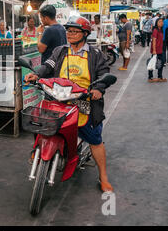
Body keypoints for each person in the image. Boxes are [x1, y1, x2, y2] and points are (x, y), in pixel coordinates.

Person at [24, 16, 113, 192]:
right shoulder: (60, 51)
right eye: (68, 31)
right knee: (40, 120)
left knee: (95, 139)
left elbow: (104, 74)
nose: (70, 34)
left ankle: (103, 176)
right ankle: (38, 150)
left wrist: (99, 89)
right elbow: (48, 65)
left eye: (74, 31)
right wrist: (37, 74)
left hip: (83, 101)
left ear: (85, 34)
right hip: (58, 97)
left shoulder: (95, 54)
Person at [148, 17, 166, 82]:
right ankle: (150, 77)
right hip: (156, 50)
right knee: (152, 63)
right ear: (156, 23)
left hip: (160, 49)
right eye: (159, 22)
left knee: (161, 63)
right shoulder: (155, 30)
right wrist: (154, 50)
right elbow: (154, 40)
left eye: (162, 22)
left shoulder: (161, 30)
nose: (161, 23)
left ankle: (160, 76)